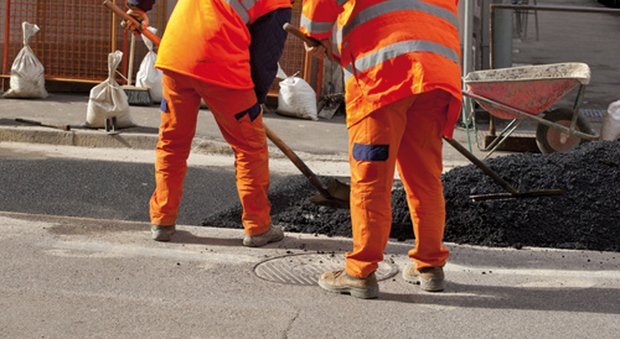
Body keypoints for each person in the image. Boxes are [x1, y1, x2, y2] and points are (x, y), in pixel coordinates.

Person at [300, 0, 462, 298]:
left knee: (371, 178)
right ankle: (430, 265)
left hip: (383, 77)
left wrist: (315, 34)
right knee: (425, 177)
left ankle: (360, 272)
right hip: (436, 74)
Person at [126, 0, 292, 246]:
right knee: (250, 147)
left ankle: (162, 220)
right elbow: (264, 56)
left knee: (172, 142)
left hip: (176, 55)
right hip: (223, 64)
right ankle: (258, 227)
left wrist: (138, 6)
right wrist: (253, 103)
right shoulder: (278, 2)